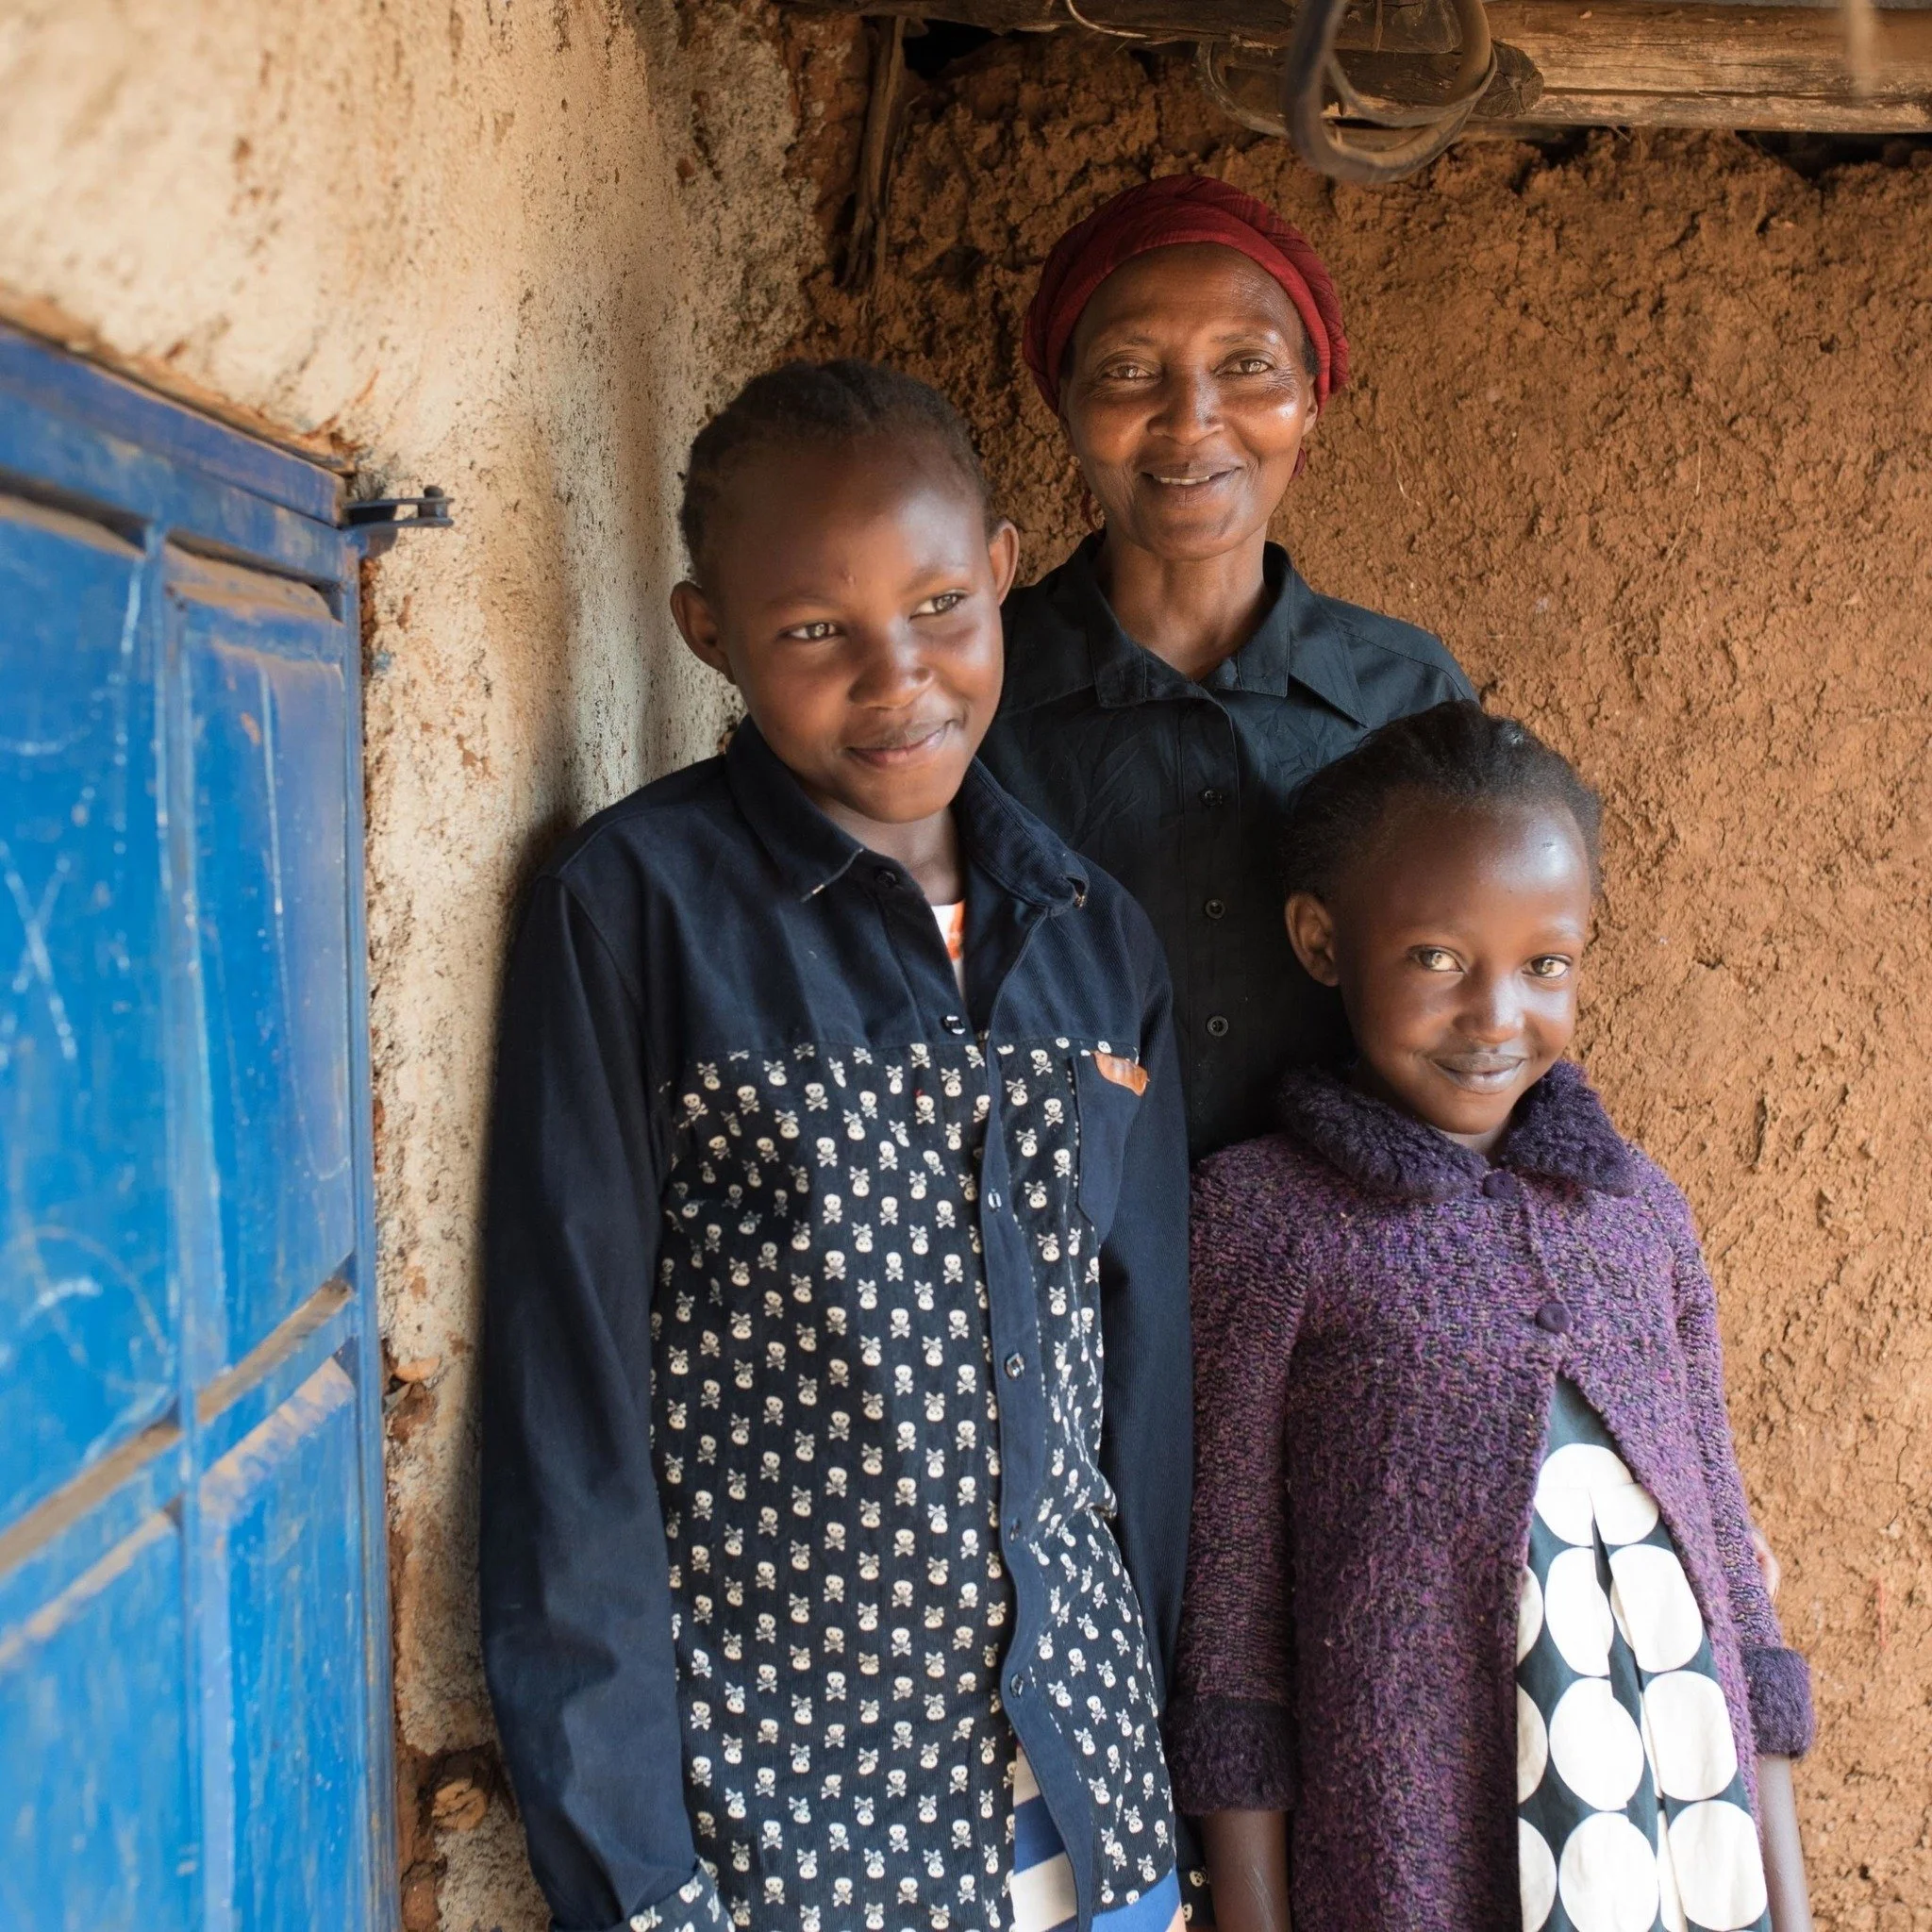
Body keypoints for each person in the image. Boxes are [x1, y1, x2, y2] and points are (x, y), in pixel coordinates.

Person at [480, 359, 1193, 1932]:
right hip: (788, 1835)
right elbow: (568, 1417)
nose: (898, 675)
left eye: (942, 602)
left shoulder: (1093, 937)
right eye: (814, 629)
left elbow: (1136, 1380)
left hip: (1091, 1809)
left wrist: (1149, 1739)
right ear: (705, 632)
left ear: (1005, 570)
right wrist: (638, 1879)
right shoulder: (638, 911)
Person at [1165, 703, 1815, 1931]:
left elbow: (1731, 1573)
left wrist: (1788, 1904)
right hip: (1405, 1871)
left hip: (1679, 1846)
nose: (1497, 1016)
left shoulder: (1640, 1214)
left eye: (1545, 964)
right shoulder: (1264, 1223)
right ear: (1322, 942)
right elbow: (1233, 1641)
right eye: (1436, 959)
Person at [979, 173, 1474, 1162]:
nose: (1190, 417)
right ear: (1064, 406)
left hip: (1328, 1280)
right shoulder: (970, 688)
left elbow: (1473, 1005)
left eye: (1247, 366)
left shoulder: (1404, 697)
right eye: (1126, 371)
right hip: (1043, 1274)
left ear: (1309, 404)